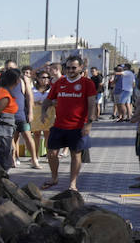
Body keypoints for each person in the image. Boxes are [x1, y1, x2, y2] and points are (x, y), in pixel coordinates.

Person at [40, 54, 97, 191]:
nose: (71, 70)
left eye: (74, 68)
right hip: (59, 125)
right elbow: (48, 99)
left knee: (75, 154)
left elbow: (92, 104)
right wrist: (44, 111)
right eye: (68, 67)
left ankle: (72, 184)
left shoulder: (87, 83)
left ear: (81, 68)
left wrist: (88, 123)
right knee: (52, 153)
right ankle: (54, 178)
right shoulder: (59, 83)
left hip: (78, 126)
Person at [0, 68, 21, 172]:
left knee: (4, 159)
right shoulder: (5, 96)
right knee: (3, 162)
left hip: (3, 132)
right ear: (16, 80)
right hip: (1, 132)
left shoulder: (2, 92)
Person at [13, 65, 42, 168]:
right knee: (13, 137)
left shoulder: (23, 80)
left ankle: (34, 159)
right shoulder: (5, 80)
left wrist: (30, 112)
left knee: (27, 136)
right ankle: (14, 158)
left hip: (22, 114)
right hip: (10, 114)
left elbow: (30, 96)